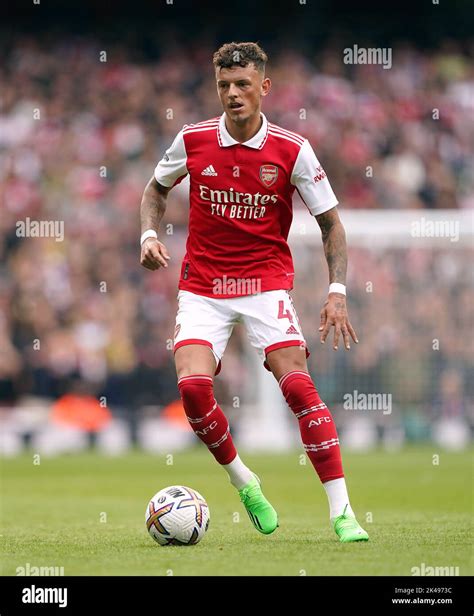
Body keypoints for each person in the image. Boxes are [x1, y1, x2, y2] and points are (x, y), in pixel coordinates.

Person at [140, 41, 368, 542]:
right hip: (203, 286)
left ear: (264, 87)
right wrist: (149, 234)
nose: (233, 94)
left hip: (264, 283)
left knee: (298, 386)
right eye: (224, 85)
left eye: (243, 84)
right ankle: (244, 480)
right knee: (194, 390)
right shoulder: (194, 139)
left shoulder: (292, 149)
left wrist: (336, 290)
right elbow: (156, 189)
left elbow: (332, 224)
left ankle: (342, 512)